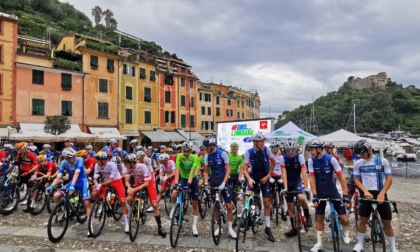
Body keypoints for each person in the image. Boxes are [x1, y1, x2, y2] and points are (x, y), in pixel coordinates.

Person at [352, 140, 398, 252]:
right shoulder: (358, 163)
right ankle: (360, 244)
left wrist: (382, 193)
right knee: (362, 220)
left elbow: (389, 179)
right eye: (359, 155)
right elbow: (356, 180)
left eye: (362, 154)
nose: (361, 156)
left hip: (380, 193)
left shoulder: (382, 161)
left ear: (369, 150)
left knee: (387, 222)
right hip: (366, 193)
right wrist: (364, 191)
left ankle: (392, 247)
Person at [306, 139, 351, 252]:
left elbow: (341, 177)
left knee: (344, 218)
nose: (310, 152)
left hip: (332, 191)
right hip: (320, 191)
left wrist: (345, 195)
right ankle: (319, 243)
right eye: (310, 150)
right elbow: (311, 178)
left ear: (319, 149)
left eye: (312, 150)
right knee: (319, 218)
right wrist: (314, 195)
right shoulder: (311, 161)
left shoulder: (331, 159)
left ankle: (345, 231)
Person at [45, 148, 92, 236]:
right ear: (66, 158)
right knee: (56, 196)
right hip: (72, 181)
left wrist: (72, 186)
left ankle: (90, 224)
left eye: (74, 156)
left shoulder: (80, 160)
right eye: (71, 157)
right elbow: (58, 177)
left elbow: (76, 174)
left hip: (82, 181)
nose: (74, 158)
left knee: (86, 202)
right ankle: (63, 209)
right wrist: (51, 186)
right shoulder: (63, 163)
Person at [243, 133, 276, 242]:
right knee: (248, 194)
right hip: (253, 177)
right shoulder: (249, 153)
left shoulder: (266, 150)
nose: (263, 143)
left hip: (264, 178)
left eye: (263, 141)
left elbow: (274, 162)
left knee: (266, 202)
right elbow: (245, 169)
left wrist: (268, 176)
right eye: (261, 141)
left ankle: (267, 228)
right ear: (255, 143)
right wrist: (249, 179)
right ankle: (246, 216)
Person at [124, 154, 166, 237]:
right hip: (138, 182)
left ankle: (160, 227)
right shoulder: (128, 168)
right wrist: (129, 187)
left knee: (154, 205)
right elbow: (126, 181)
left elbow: (146, 184)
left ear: (132, 163)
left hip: (148, 183)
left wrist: (134, 189)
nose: (125, 165)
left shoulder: (142, 167)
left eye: (127, 163)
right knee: (128, 199)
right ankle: (135, 209)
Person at [203, 137, 237, 238]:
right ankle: (218, 227)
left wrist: (224, 182)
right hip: (213, 181)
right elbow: (206, 171)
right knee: (216, 206)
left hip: (223, 181)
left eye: (207, 147)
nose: (205, 149)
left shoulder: (223, 154)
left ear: (212, 146)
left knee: (229, 206)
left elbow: (228, 169)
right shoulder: (207, 156)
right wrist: (205, 182)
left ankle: (230, 228)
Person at [91, 151, 129, 233]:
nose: (96, 161)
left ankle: (127, 223)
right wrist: (96, 184)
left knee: (122, 201)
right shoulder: (97, 165)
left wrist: (100, 185)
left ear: (103, 160)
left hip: (116, 181)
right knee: (93, 194)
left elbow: (111, 180)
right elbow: (95, 179)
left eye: (97, 160)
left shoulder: (112, 165)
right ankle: (102, 202)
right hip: (106, 181)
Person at [280, 140, 312, 237]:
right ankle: (294, 228)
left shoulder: (300, 157)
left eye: (292, 149)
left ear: (295, 149)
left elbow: (304, 172)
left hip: (297, 180)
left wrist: (306, 187)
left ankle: (307, 214)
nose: (291, 152)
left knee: (301, 197)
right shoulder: (282, 158)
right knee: (290, 206)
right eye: (289, 150)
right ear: (286, 150)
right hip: (288, 182)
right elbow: (284, 174)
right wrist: (285, 188)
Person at [170, 141, 200, 236]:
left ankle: (194, 226)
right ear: (182, 150)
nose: (186, 153)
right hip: (183, 178)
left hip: (193, 180)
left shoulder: (195, 157)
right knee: (174, 194)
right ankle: (175, 209)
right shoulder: (179, 156)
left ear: (191, 151)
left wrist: (189, 183)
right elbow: (177, 170)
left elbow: (192, 171)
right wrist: (176, 183)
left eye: (188, 151)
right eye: (184, 151)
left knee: (195, 204)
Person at [15, 142, 37, 210]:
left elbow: (37, 165)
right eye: (19, 150)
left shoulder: (31, 155)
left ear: (25, 149)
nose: (20, 151)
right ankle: (16, 202)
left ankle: (32, 202)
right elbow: (17, 161)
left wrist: (29, 172)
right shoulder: (20, 153)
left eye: (21, 150)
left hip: (29, 172)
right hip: (22, 172)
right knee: (17, 187)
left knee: (30, 189)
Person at [268, 141, 286, 222]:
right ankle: (270, 212)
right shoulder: (269, 157)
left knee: (282, 195)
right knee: (271, 195)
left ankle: (282, 212)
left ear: (278, 148)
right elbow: (267, 168)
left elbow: (284, 169)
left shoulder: (282, 157)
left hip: (280, 176)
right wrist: (269, 178)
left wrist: (283, 178)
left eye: (275, 147)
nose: (273, 149)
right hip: (272, 177)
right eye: (272, 147)